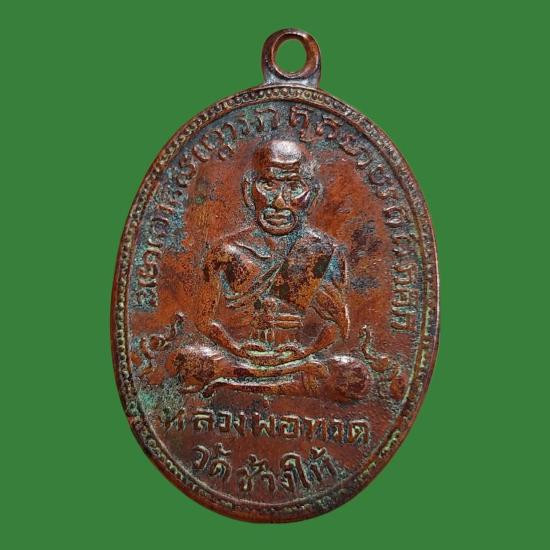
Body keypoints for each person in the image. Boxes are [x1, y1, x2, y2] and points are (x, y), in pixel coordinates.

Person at [163, 139, 369, 401]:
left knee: (351, 375)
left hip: (299, 362)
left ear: (312, 195)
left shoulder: (323, 251)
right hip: (239, 359)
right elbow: (204, 322)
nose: (280, 202)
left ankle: (247, 382)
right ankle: (262, 381)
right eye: (269, 185)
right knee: (188, 361)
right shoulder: (226, 252)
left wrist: (303, 353)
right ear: (249, 190)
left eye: (294, 187)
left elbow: (339, 326)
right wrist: (236, 349)